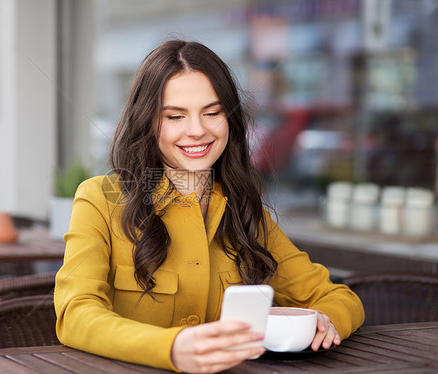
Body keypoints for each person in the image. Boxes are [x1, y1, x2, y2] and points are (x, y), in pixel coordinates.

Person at [54, 40, 364, 373]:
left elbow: (340, 298)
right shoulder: (100, 199)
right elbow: (76, 313)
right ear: (148, 122)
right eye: (175, 116)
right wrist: (171, 348)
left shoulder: (245, 212)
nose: (197, 131)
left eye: (212, 113)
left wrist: (326, 321)